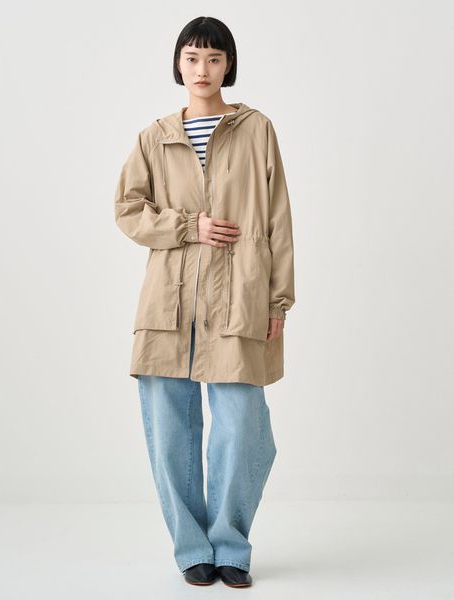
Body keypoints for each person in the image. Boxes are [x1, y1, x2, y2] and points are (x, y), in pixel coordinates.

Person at [114, 16, 295, 588]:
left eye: (214, 58)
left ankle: (231, 545)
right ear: (178, 64)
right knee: (171, 434)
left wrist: (278, 301)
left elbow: (278, 218)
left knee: (242, 428)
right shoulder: (155, 136)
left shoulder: (256, 129)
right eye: (192, 58)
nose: (202, 69)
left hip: (240, 297)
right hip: (167, 305)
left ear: (228, 65)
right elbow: (127, 209)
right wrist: (188, 226)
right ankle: (192, 547)